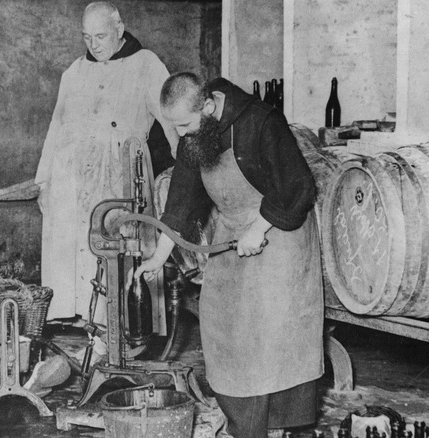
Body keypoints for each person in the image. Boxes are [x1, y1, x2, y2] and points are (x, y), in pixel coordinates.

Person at [133, 72, 324, 438]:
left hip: (279, 229)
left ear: (208, 106)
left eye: (186, 124)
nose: (182, 133)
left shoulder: (261, 122)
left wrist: (258, 228)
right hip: (232, 233)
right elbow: (181, 201)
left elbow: (298, 185)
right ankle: (246, 427)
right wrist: (158, 257)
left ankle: (282, 426)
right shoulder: (196, 135)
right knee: (221, 322)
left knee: (273, 333)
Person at [35, 1, 178, 326]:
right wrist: (45, 180)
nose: (94, 45)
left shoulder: (146, 64)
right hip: (70, 175)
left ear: (119, 27)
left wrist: (186, 162)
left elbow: (173, 118)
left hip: (118, 173)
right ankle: (76, 319)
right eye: (87, 37)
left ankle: (118, 324)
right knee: (73, 242)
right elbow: (56, 126)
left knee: (113, 241)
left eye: (100, 36)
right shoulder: (74, 70)